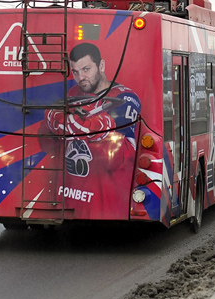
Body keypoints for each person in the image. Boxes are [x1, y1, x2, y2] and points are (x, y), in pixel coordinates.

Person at [42, 41, 142, 218]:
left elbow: (124, 154)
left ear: (101, 66)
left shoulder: (125, 97)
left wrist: (96, 128)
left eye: (86, 69)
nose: (81, 77)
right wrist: (53, 122)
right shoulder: (73, 92)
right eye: (75, 71)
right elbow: (46, 143)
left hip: (107, 200)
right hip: (72, 195)